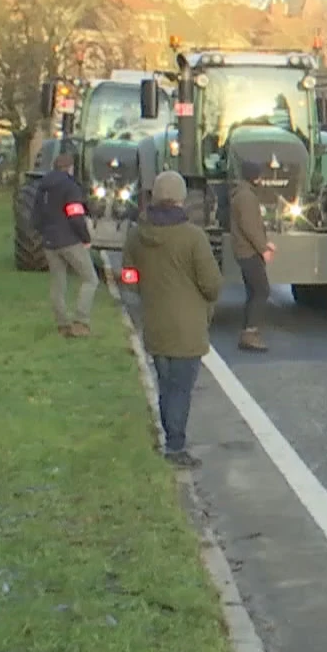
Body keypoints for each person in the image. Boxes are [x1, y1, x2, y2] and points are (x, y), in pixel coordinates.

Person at [122, 170, 221, 468]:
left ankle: (170, 437)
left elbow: (128, 277)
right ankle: (175, 447)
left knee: (166, 386)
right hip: (187, 328)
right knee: (180, 390)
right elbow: (212, 284)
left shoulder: (136, 235)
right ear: (180, 199)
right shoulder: (192, 237)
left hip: (154, 324)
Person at [35, 153, 96, 337]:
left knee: (58, 283)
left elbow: (35, 217)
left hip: (49, 242)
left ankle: (62, 324)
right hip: (69, 240)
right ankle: (81, 322)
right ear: (70, 168)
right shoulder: (70, 187)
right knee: (90, 279)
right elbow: (75, 215)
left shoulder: (42, 186)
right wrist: (85, 238)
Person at [229, 160, 275, 352]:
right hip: (249, 252)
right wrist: (263, 248)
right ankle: (250, 333)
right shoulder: (246, 197)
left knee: (253, 292)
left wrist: (265, 243)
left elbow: (252, 225)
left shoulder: (242, 194)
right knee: (262, 290)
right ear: (254, 177)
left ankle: (248, 332)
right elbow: (249, 226)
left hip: (244, 250)